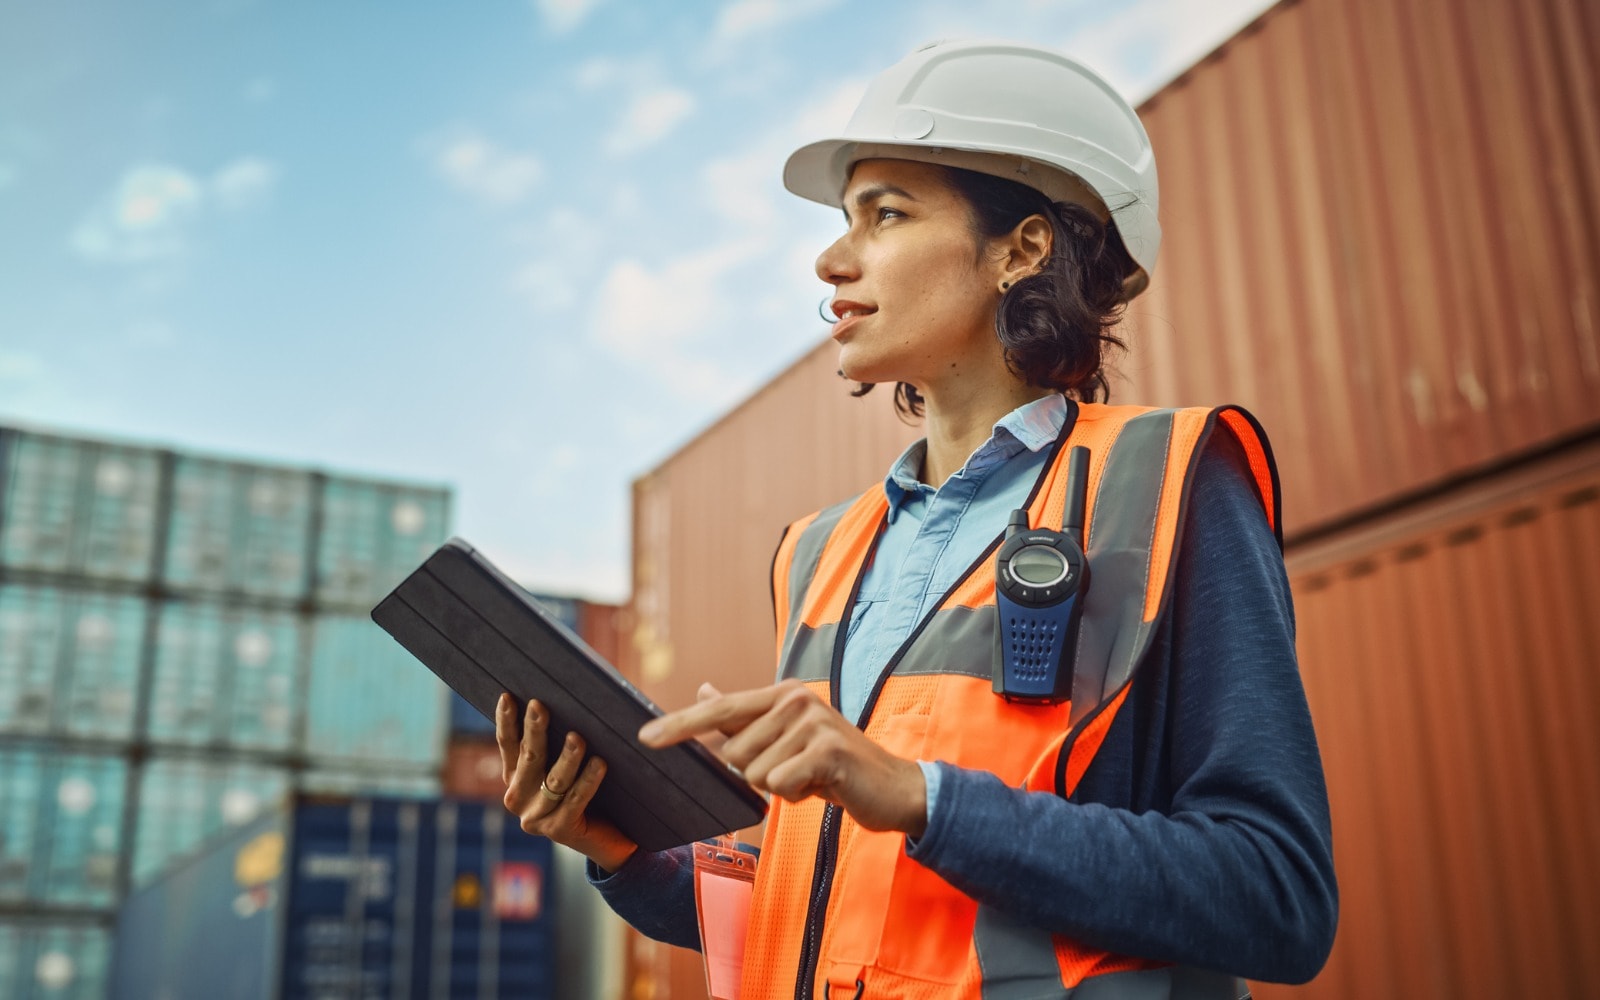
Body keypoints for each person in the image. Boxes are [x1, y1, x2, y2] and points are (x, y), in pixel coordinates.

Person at [496, 40, 1337, 999]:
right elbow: (833, 913)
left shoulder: (1171, 482)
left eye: (884, 213)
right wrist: (623, 855)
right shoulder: (819, 553)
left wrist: (920, 794)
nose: (828, 256)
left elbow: (1280, 898)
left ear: (1020, 248)